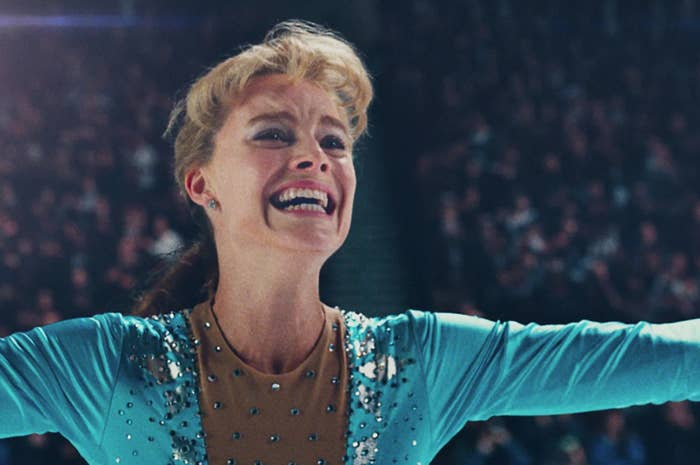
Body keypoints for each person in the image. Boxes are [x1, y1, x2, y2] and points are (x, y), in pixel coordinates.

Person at [0, 20, 699, 465]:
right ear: (201, 183)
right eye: (274, 132)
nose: (316, 157)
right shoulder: (102, 365)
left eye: (334, 141)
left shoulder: (418, 363)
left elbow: (645, 355)